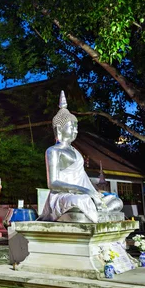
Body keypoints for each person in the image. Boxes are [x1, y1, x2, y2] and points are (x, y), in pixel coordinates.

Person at [38, 91, 123, 223]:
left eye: (76, 127)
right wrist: (84, 191)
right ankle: (98, 209)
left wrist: (95, 192)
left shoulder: (75, 151)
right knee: (79, 202)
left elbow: (82, 177)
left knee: (115, 200)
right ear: (59, 129)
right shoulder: (53, 151)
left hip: (83, 192)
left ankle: (102, 210)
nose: (76, 131)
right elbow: (53, 183)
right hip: (63, 195)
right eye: (72, 127)